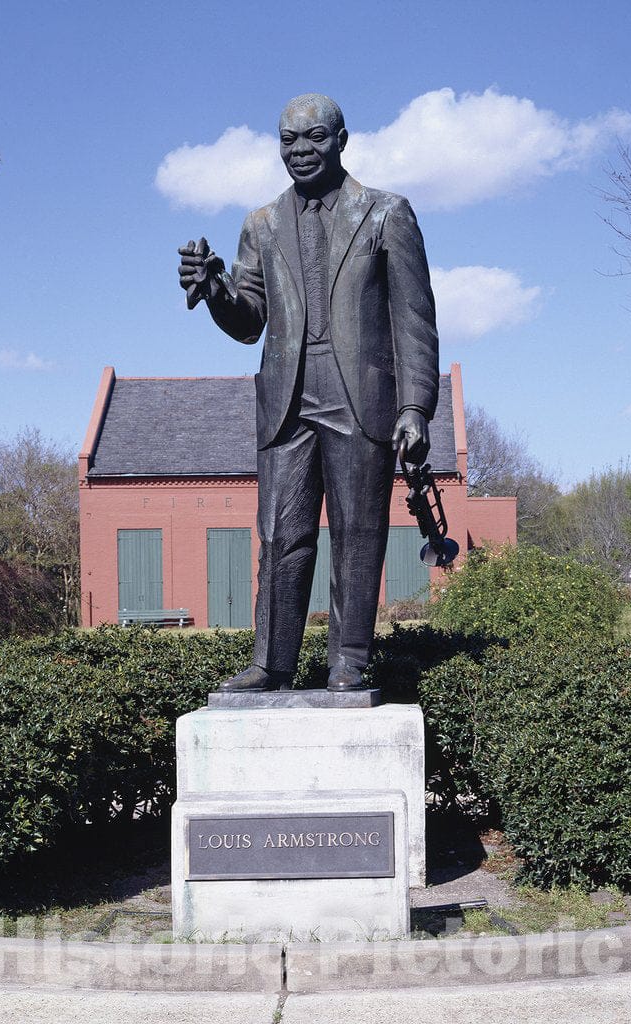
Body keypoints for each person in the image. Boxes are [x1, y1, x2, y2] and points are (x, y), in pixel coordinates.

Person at [178, 93, 438, 692]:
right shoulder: (261, 225)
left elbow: (414, 320)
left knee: (357, 531)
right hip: (288, 398)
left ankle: (349, 659)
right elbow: (248, 322)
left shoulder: (384, 214)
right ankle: (272, 663)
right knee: (280, 532)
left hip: (359, 395)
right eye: (288, 140)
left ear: (342, 140)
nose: (300, 150)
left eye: (313, 137)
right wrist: (214, 288)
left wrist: (415, 406)